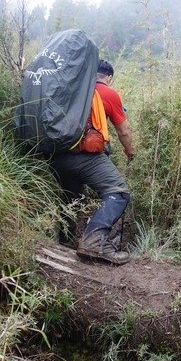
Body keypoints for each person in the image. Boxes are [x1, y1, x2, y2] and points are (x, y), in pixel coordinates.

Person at [51, 59, 135, 265]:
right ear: (109, 77)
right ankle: (94, 243)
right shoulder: (107, 92)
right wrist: (130, 151)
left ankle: (64, 243)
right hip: (85, 156)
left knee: (71, 198)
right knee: (118, 192)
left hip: (56, 155)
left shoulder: (70, 87)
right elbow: (123, 131)